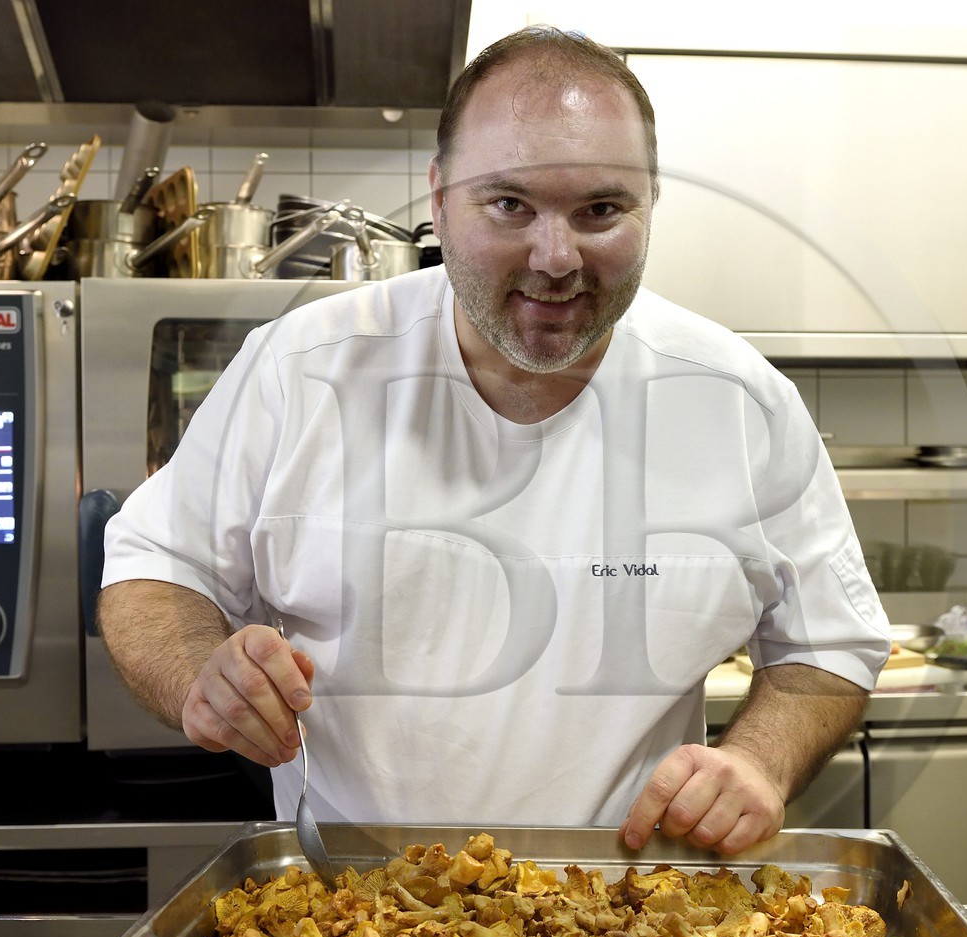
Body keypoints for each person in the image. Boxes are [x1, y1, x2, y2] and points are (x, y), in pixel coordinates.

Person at [98, 25, 891, 856]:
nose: (556, 258)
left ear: (651, 202)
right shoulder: (300, 368)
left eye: (601, 210)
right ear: (439, 200)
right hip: (352, 903)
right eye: (510, 205)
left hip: (627, 905)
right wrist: (200, 673)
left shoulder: (739, 401)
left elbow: (828, 640)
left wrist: (759, 762)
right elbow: (157, 569)